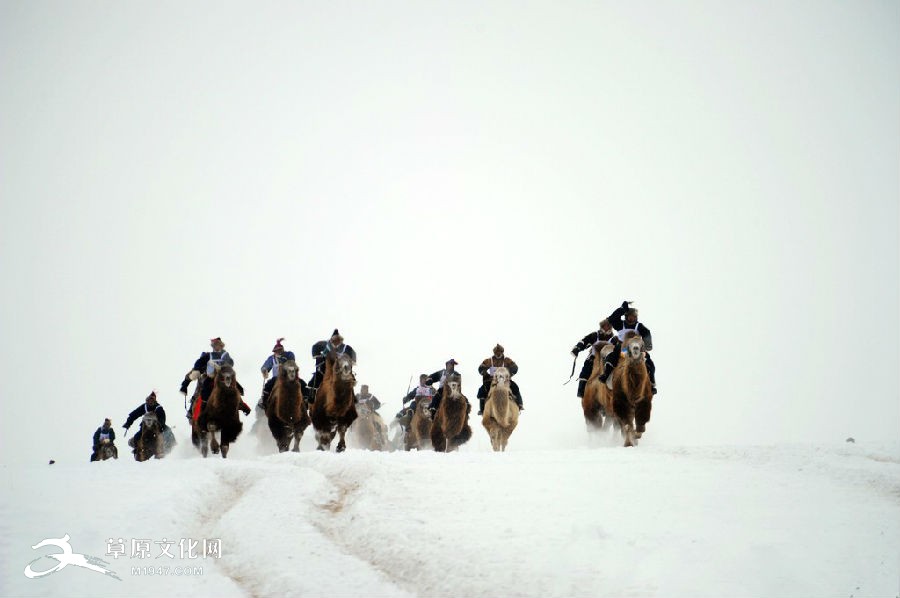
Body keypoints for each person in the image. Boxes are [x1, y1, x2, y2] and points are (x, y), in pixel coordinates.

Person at [179, 337, 242, 417]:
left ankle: (239, 406)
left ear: (221, 345)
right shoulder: (208, 356)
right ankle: (201, 409)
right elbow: (197, 365)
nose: (215, 346)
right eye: (214, 345)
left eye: (217, 345)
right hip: (209, 378)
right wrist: (185, 385)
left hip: (223, 377)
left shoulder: (225, 354)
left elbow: (230, 363)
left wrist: (224, 366)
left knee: (235, 389)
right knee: (203, 390)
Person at [605, 301, 656, 393]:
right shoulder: (621, 325)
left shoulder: (639, 326)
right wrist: (622, 310)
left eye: (634, 317)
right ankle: (606, 375)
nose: (632, 319)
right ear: (626, 316)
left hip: (636, 349)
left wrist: (648, 343)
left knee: (649, 363)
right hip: (623, 348)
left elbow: (646, 333)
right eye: (630, 317)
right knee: (611, 357)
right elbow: (611, 319)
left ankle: (651, 383)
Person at [570, 319, 617, 398]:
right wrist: (577, 348)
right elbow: (584, 341)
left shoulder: (614, 339)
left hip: (607, 360)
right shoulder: (595, 335)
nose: (607, 328)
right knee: (586, 368)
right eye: (605, 326)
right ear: (602, 326)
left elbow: (620, 348)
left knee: (616, 370)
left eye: (609, 326)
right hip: (594, 358)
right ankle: (581, 390)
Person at [308, 329, 357, 400]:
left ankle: (352, 397)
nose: (336, 341)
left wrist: (348, 360)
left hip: (341, 367)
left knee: (348, 379)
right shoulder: (325, 345)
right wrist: (319, 356)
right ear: (331, 339)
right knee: (317, 375)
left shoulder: (346, 347)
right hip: (326, 366)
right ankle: (312, 393)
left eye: (338, 340)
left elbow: (352, 356)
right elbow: (316, 349)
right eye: (334, 340)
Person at [477, 344, 523, 414]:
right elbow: (480, 368)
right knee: (482, 389)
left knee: (515, 387)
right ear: (494, 353)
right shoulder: (489, 361)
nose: (498, 354)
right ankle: (482, 409)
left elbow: (515, 368)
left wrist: (509, 374)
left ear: (502, 352)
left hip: (505, 381)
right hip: (492, 380)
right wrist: (486, 374)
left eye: (500, 352)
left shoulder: (507, 360)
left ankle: (520, 404)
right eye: (496, 353)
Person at [258, 338, 296, 410]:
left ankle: (305, 399)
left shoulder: (289, 354)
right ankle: (264, 401)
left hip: (289, 376)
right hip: (277, 378)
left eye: (279, 350)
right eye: (276, 351)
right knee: (268, 385)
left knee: (301, 383)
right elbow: (266, 366)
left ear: (282, 349)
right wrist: (265, 370)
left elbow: (292, 362)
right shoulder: (272, 358)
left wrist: (284, 361)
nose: (278, 352)